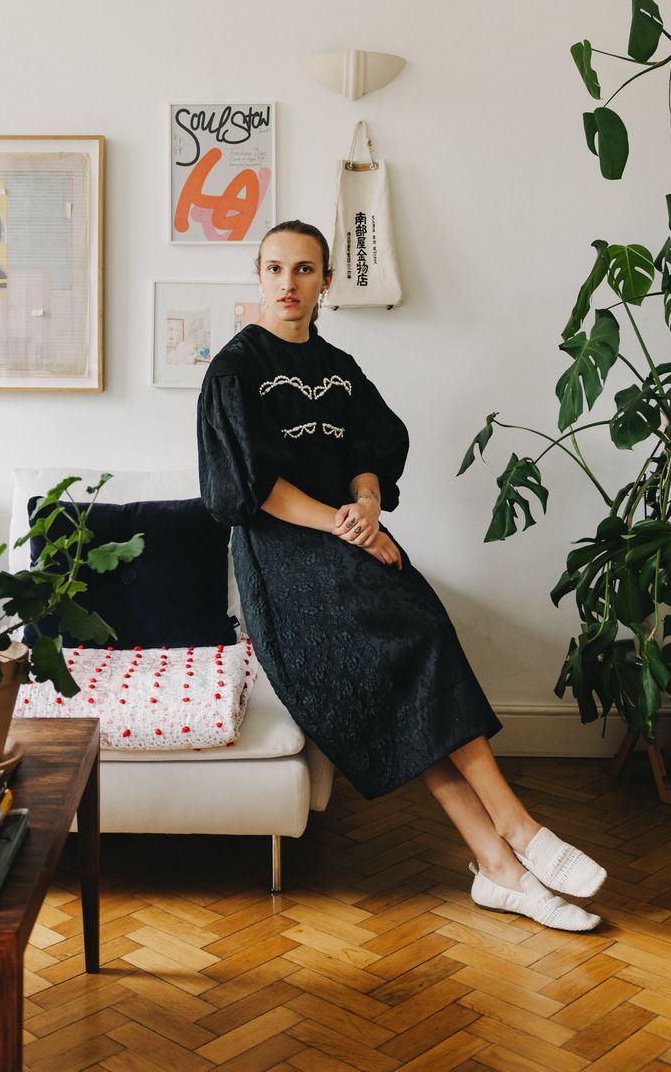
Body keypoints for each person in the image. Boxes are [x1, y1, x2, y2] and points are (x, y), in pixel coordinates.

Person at [197, 219, 606, 930]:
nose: (288, 283)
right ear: (257, 276)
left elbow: (370, 448)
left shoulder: (339, 367)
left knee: (411, 662)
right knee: (411, 641)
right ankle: (517, 831)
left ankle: (500, 866)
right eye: (274, 268)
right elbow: (252, 489)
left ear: (326, 280)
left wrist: (364, 502)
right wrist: (345, 523)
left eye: (303, 269)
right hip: (284, 566)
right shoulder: (235, 370)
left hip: (347, 541)